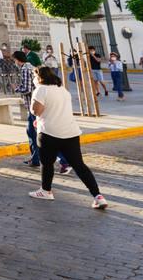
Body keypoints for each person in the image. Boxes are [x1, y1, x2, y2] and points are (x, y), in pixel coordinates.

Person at [28, 65, 108, 208]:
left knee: (47, 163)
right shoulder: (62, 89)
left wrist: (35, 113)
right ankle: (98, 195)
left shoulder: (40, 90)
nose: (33, 79)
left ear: (39, 77)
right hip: (70, 132)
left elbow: (36, 111)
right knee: (79, 165)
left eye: (34, 76)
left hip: (49, 132)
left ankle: (46, 190)